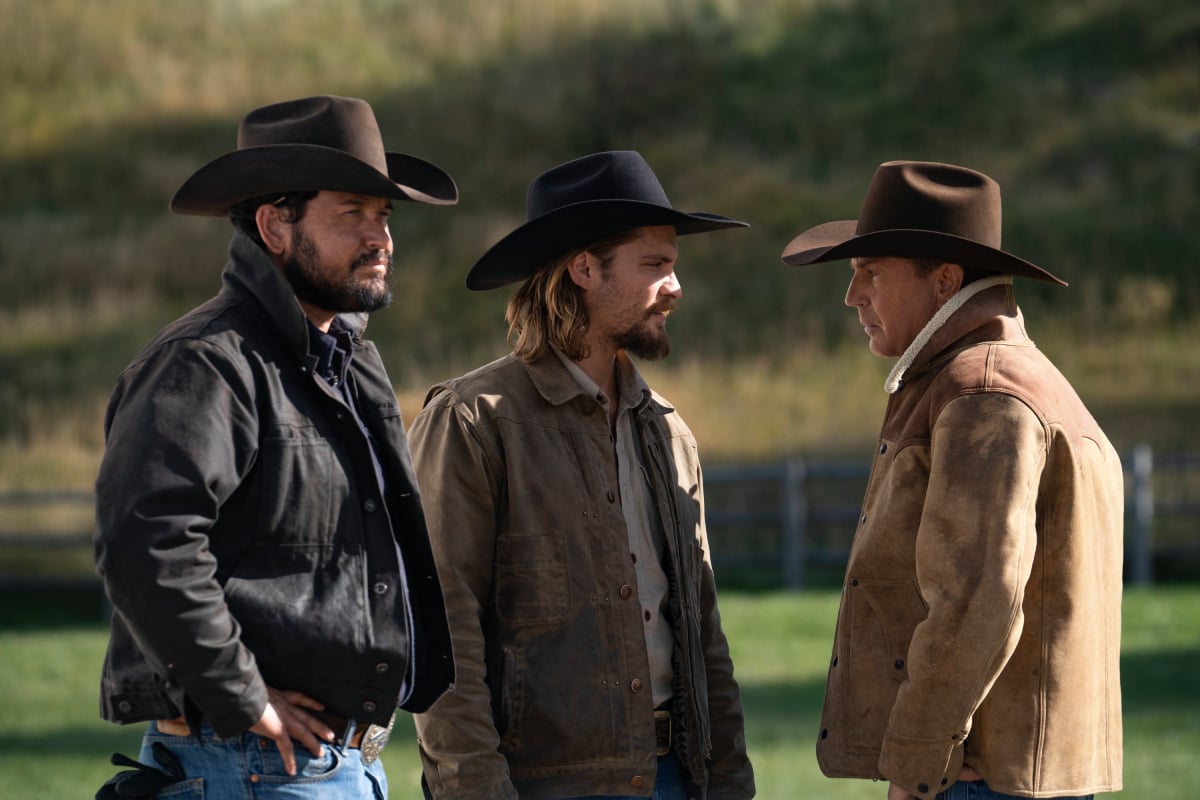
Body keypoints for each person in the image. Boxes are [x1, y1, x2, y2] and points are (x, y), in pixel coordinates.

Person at [93, 95, 459, 799]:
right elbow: (146, 542)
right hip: (255, 764)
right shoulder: (205, 362)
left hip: (333, 765)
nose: (381, 237)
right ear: (274, 226)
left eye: (384, 215)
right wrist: (242, 693)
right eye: (352, 213)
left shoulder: (349, 362)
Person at [408, 150, 756, 800]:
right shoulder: (473, 423)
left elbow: (703, 634)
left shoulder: (670, 434)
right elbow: (443, 633)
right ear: (585, 269)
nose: (675, 287)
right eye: (655, 265)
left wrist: (730, 783)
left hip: (677, 779)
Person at [781, 160, 1124, 800]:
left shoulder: (982, 393)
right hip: (1017, 772)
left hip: (979, 777)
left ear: (944, 281)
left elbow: (975, 600)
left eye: (871, 273)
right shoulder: (1022, 379)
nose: (852, 296)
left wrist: (917, 760)